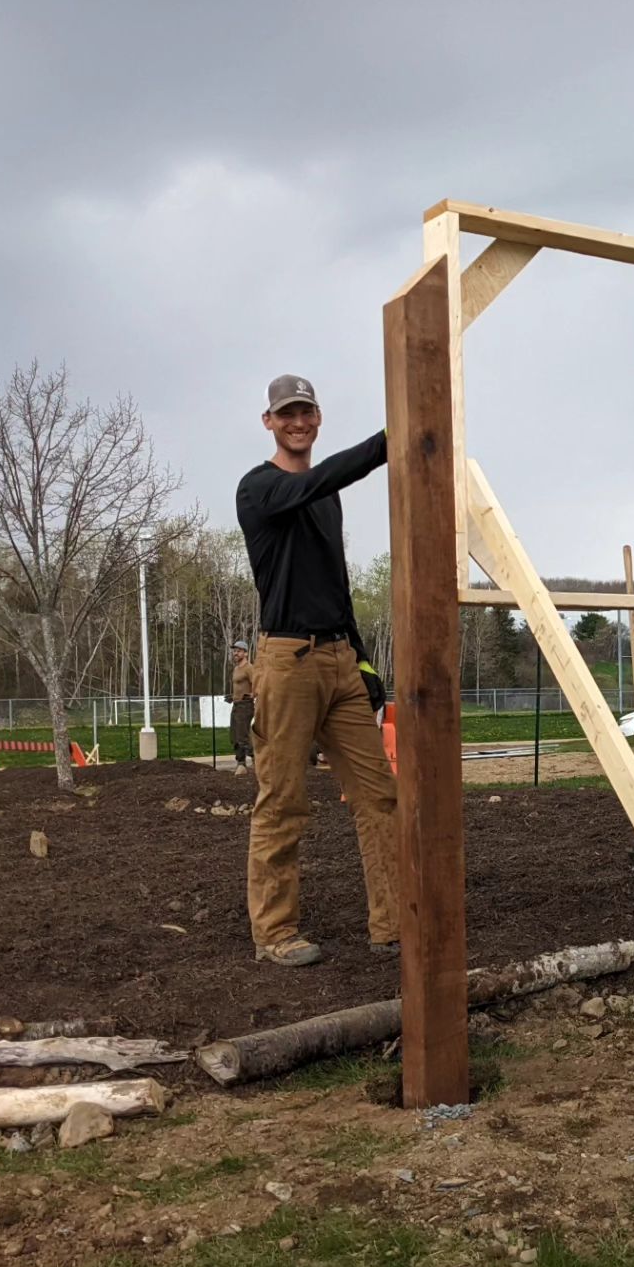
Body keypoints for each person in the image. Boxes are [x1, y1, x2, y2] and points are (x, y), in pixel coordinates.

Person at [235, 374, 398, 969]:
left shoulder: (326, 498)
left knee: (381, 795)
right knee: (282, 799)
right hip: (286, 661)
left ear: (318, 417)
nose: (298, 421)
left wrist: (362, 656)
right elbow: (320, 477)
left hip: (337, 660)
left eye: (306, 412)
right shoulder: (258, 489)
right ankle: (275, 932)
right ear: (269, 421)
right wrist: (387, 440)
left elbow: (337, 583)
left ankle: (391, 924)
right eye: (287, 414)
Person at [229, 640, 254, 772]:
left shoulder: (249, 668)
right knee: (234, 735)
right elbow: (238, 686)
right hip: (236, 704)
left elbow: (258, 684)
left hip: (245, 705)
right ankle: (243, 762)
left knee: (242, 736)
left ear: (245, 653)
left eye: (238, 651)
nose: (235, 653)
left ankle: (252, 760)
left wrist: (251, 695)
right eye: (234, 651)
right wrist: (232, 696)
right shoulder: (236, 669)